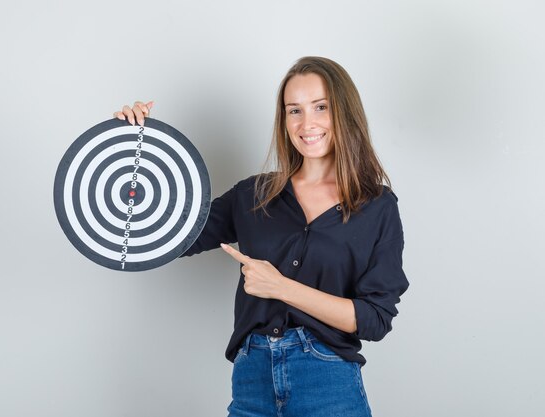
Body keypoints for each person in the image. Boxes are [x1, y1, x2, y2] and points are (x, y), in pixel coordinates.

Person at [114, 56, 409, 417]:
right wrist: (136, 146)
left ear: (344, 112)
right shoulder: (254, 194)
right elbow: (169, 235)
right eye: (294, 111)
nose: (307, 123)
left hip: (328, 384)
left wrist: (281, 287)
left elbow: (375, 318)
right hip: (252, 383)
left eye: (320, 107)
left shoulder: (377, 206)